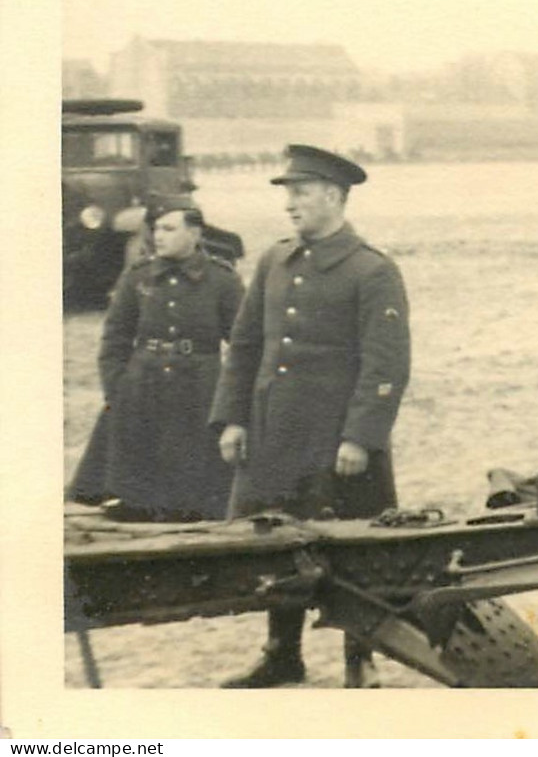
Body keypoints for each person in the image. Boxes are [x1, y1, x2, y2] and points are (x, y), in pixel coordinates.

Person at [210, 145, 411, 689]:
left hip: (336, 441)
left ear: (333, 196)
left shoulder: (372, 270)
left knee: (351, 550)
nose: (289, 206)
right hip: (275, 434)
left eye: (299, 193)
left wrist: (361, 438)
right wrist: (233, 419)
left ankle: (359, 660)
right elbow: (246, 345)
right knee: (278, 543)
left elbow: (385, 365)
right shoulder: (275, 260)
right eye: (286, 195)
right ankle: (282, 654)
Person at [68, 197, 244, 522]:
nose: (158, 235)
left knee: (198, 498)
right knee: (134, 497)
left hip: (199, 389)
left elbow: (243, 345)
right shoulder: (137, 276)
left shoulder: (222, 279)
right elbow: (115, 338)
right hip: (141, 387)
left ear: (195, 233)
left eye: (169, 228)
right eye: (156, 228)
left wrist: (229, 399)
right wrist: (118, 388)